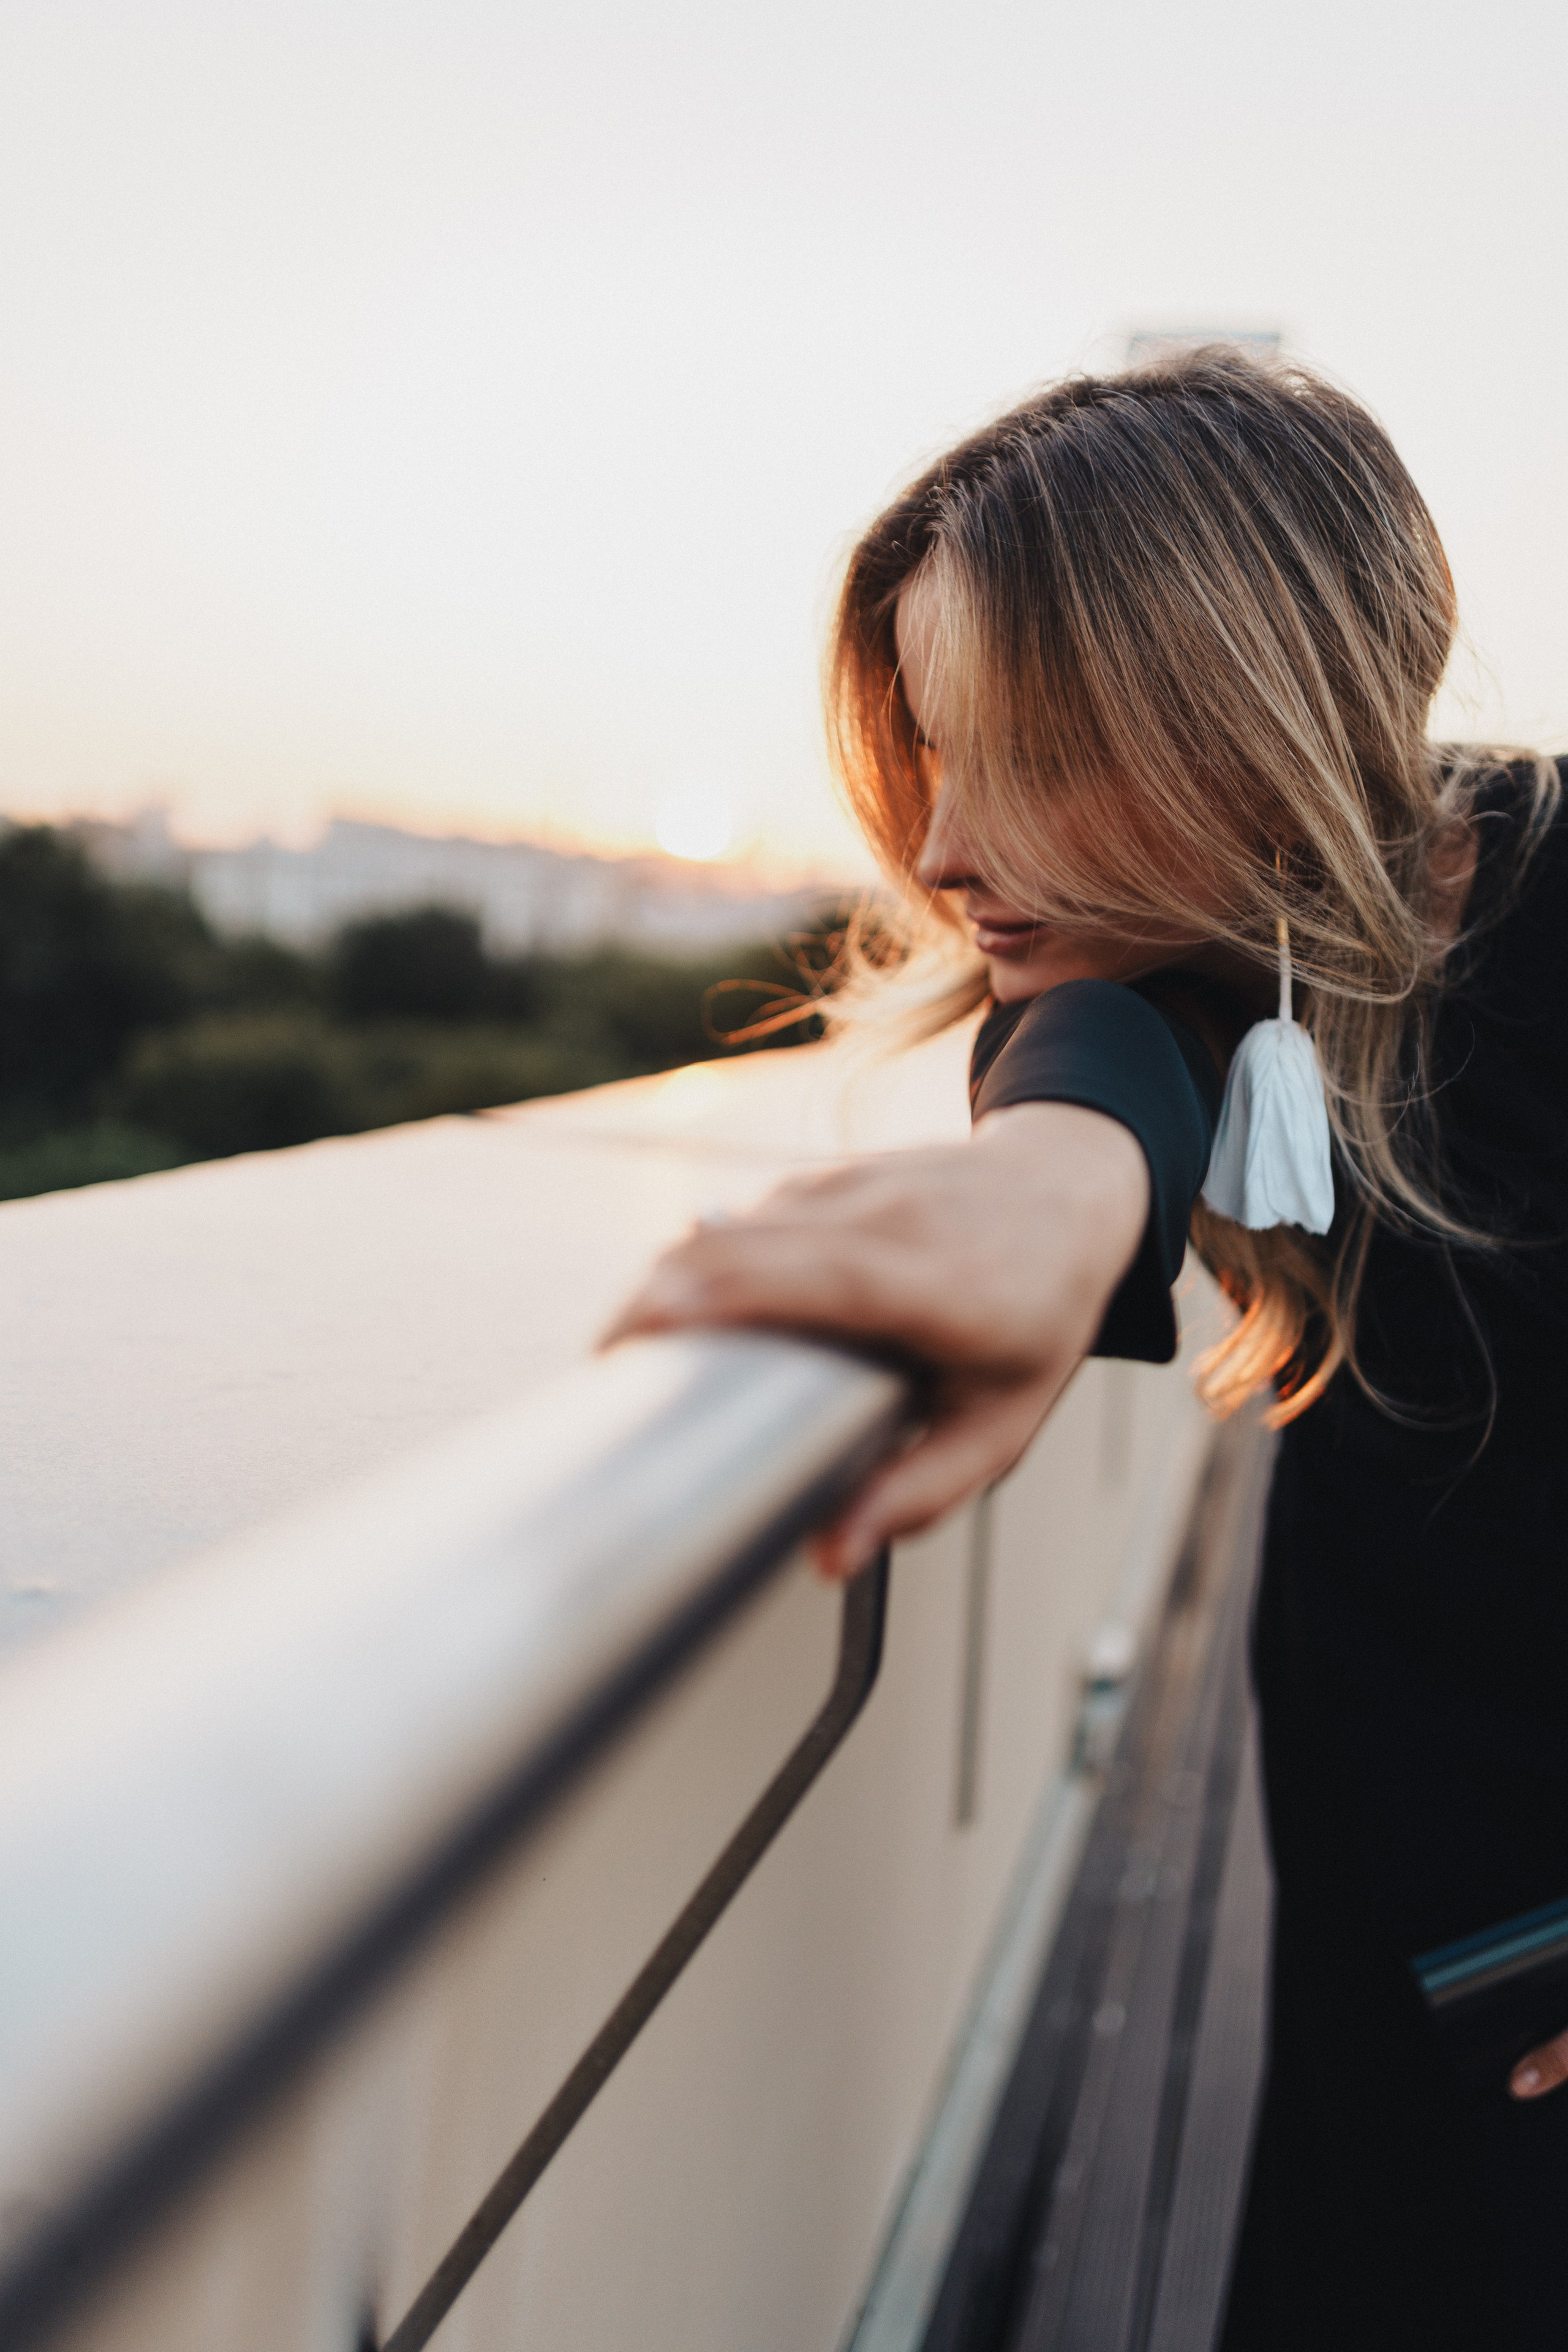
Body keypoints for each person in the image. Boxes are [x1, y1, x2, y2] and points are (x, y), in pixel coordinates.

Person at [605, 346, 1568, 2347]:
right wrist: (1041, 1194)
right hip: (1376, 1910)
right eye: (928, 756)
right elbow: (1094, 1065)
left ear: (1234, 706)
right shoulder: (1216, 960)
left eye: (1017, 752)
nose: (943, 847)